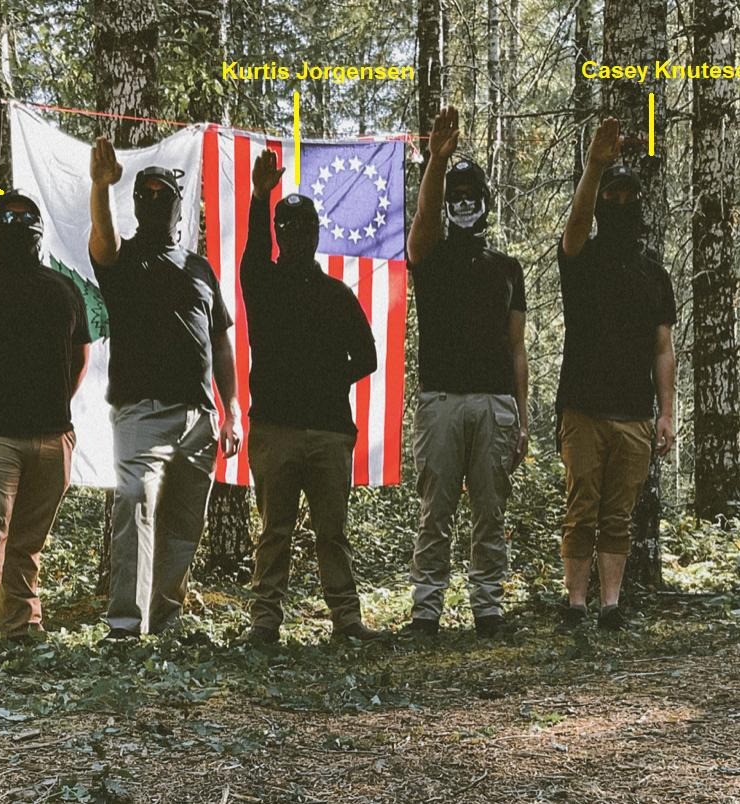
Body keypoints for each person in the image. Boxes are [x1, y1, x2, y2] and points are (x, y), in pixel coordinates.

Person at [88, 137, 241, 639]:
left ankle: (166, 621)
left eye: (163, 196)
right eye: (144, 195)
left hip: (200, 417)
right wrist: (100, 186)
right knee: (134, 499)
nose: (154, 203)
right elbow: (102, 243)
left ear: (178, 206)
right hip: (141, 413)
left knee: (182, 524)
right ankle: (126, 628)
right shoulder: (124, 261)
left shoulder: (199, 268)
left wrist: (233, 407)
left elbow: (220, 340)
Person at [239, 150, 386, 645]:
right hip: (275, 429)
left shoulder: (338, 295)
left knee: (332, 533)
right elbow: (252, 254)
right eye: (286, 227)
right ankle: (265, 623)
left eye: (303, 228)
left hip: (328, 431)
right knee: (274, 531)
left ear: (316, 234)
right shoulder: (262, 283)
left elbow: (367, 357)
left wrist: (330, 379)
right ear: (278, 233)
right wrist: (261, 198)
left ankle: (346, 621)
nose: (294, 236)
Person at [0, 189, 90, 645]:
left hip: (49, 438)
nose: (20, 222)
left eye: (27, 216)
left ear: (39, 229)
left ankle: (22, 625)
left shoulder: (64, 289)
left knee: (27, 541)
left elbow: (80, 354)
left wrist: (56, 411)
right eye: (10, 215)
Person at [403, 106, 529, 639]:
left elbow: (518, 347)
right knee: (436, 511)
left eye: (470, 195)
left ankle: (488, 610)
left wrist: (521, 415)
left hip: (495, 403)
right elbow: (420, 230)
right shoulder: (429, 257)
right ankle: (426, 612)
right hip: (441, 401)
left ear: (485, 204)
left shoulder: (507, 268)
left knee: (490, 514)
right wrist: (437, 161)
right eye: (455, 195)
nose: (462, 204)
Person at [556, 118, 676, 632]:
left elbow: (664, 348)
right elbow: (575, 225)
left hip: (634, 415)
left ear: (639, 203)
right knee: (580, 508)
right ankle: (575, 606)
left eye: (629, 196)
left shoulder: (655, 273)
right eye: (614, 195)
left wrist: (667, 411)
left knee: (619, 516)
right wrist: (593, 168)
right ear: (603, 201)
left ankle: (610, 607)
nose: (621, 204)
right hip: (583, 406)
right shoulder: (582, 256)